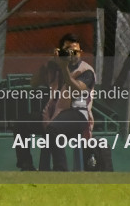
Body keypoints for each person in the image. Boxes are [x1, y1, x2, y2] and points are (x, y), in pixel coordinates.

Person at [41, 33, 95, 171]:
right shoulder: (56, 67)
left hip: (77, 114)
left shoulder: (87, 71)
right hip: (54, 112)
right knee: (22, 124)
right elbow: (34, 82)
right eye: (68, 51)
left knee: (52, 129)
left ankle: (61, 170)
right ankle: (30, 168)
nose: (72, 54)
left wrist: (64, 68)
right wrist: (51, 64)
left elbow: (76, 90)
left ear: (81, 52)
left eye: (75, 51)